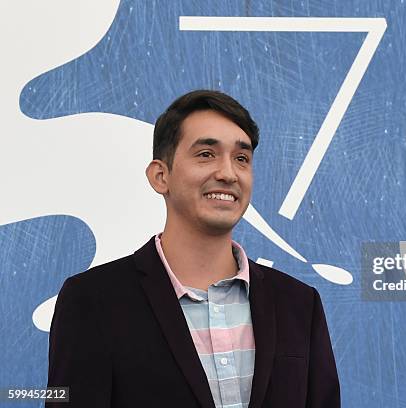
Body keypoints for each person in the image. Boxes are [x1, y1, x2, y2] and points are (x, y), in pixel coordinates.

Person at [46, 90, 340, 408]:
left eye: (241, 159)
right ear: (160, 176)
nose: (228, 173)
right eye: (205, 154)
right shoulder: (93, 300)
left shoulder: (298, 303)